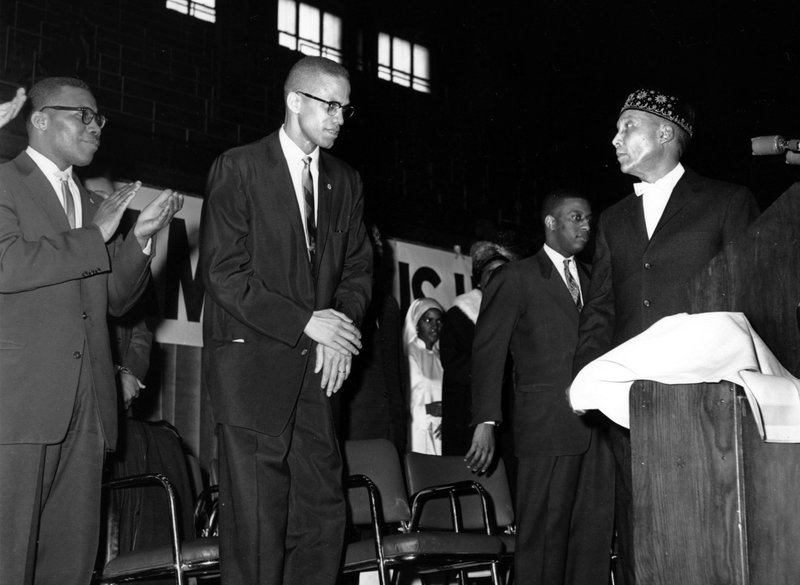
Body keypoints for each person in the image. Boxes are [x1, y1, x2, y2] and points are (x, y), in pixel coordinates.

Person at [572, 87, 760, 585]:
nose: (614, 139)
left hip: (710, 398)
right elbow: (601, 309)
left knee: (708, 522)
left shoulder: (728, 201)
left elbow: (753, 298)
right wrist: (585, 378)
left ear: (665, 133)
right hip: (632, 400)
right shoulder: (613, 220)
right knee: (640, 526)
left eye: (626, 126)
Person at [0, 76, 183, 585]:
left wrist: (139, 243)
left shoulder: (88, 201)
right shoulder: (3, 181)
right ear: (39, 120)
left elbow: (117, 300)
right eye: (83, 115)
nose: (96, 126)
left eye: (99, 118)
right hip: (18, 404)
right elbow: (6, 265)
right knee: (6, 556)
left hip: (87, 405)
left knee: (73, 561)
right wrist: (95, 235)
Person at [200, 56, 372, 585]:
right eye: (330, 105)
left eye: (346, 107)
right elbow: (223, 273)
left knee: (323, 517)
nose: (340, 117)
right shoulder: (240, 167)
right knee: (256, 530)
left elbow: (360, 270)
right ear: (294, 101)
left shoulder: (344, 180)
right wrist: (306, 322)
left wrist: (338, 334)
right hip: (252, 374)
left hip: (319, 374)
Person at [466, 190, 615, 585]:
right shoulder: (514, 277)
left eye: (588, 219)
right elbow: (488, 352)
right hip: (545, 429)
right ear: (550, 223)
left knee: (592, 539)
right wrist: (486, 420)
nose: (586, 226)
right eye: (576, 217)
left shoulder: (594, 280)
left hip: (598, 431)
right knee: (542, 542)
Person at [440, 240, 514, 456]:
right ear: (479, 280)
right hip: (469, 412)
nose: (498, 276)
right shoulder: (459, 315)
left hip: (510, 415)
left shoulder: (518, 316)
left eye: (504, 271)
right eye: (491, 272)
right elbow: (453, 363)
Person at [338, 222, 407, 454]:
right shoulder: (341, 300)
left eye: (379, 243)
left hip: (390, 426)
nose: (377, 248)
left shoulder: (388, 305)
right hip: (355, 425)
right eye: (371, 241)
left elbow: (395, 372)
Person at [404, 297, 445, 455]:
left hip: (441, 432)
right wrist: (428, 409)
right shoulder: (408, 353)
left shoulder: (442, 357)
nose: (435, 327)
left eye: (439, 321)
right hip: (416, 430)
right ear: (416, 323)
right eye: (428, 320)